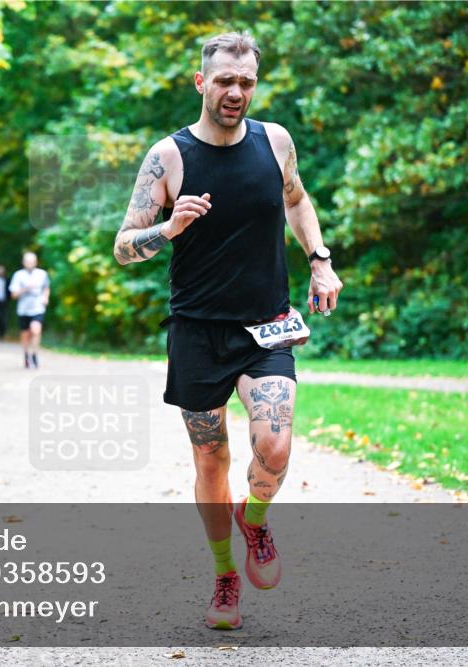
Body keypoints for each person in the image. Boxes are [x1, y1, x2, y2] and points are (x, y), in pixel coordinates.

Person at [112, 31, 343, 631]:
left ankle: (256, 519)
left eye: (246, 82)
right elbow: (122, 247)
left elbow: (297, 200)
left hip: (266, 322)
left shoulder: (276, 142)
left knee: (276, 444)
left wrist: (319, 257)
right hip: (196, 332)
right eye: (224, 81)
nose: (236, 92)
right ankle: (223, 575)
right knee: (211, 458)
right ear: (201, 83)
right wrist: (167, 229)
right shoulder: (169, 157)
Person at [8, 252, 50, 369]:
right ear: (23, 262)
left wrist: (46, 298)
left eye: (32, 261)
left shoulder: (42, 274)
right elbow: (13, 295)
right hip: (23, 309)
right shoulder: (18, 275)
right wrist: (25, 288)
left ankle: (34, 354)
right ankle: (26, 354)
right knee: (25, 334)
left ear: (36, 262)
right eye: (28, 261)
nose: (30, 264)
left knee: (36, 330)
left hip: (37, 307)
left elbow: (46, 287)